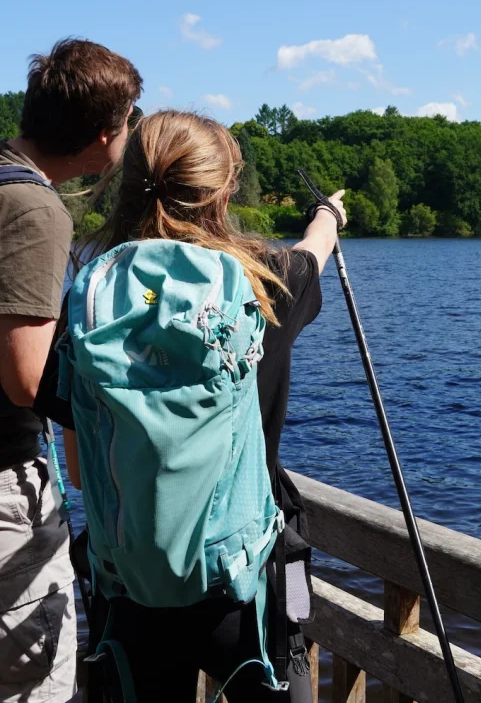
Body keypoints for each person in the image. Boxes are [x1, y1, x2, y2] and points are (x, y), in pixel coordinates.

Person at [62, 109, 346, 703]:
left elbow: (80, 464)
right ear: (222, 192)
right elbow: (315, 249)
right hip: (240, 588)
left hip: (127, 584)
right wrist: (329, 213)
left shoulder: (89, 294)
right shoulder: (265, 282)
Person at [0, 38, 143, 703]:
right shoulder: (35, 210)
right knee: (37, 682)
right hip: (5, 480)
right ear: (104, 136)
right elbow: (26, 379)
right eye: (130, 121)